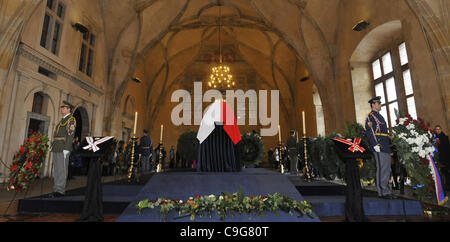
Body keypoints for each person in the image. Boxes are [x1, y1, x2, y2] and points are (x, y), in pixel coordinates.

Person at [365, 96, 394, 199]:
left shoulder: (380, 116)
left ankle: (386, 190)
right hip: (379, 145)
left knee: (386, 169)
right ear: (373, 104)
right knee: (382, 169)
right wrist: (374, 144)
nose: (380, 105)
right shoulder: (371, 116)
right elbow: (370, 132)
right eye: (378, 103)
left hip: (385, 145)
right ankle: (382, 192)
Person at [50, 101, 76, 197]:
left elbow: (70, 134)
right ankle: (56, 189)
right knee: (56, 169)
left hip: (63, 147)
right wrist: (53, 145)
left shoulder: (71, 120)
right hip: (57, 146)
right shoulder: (62, 120)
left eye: (63, 108)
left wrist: (67, 148)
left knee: (62, 169)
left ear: (69, 109)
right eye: (61, 108)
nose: (61, 109)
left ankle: (60, 190)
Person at [435, 125, 450, 191]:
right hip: (438, 158)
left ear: (441, 129)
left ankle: (447, 186)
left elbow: (448, 149)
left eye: (439, 129)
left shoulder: (445, 137)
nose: (438, 130)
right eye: (436, 129)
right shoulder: (435, 138)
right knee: (441, 173)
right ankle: (442, 186)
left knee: (446, 173)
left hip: (445, 158)